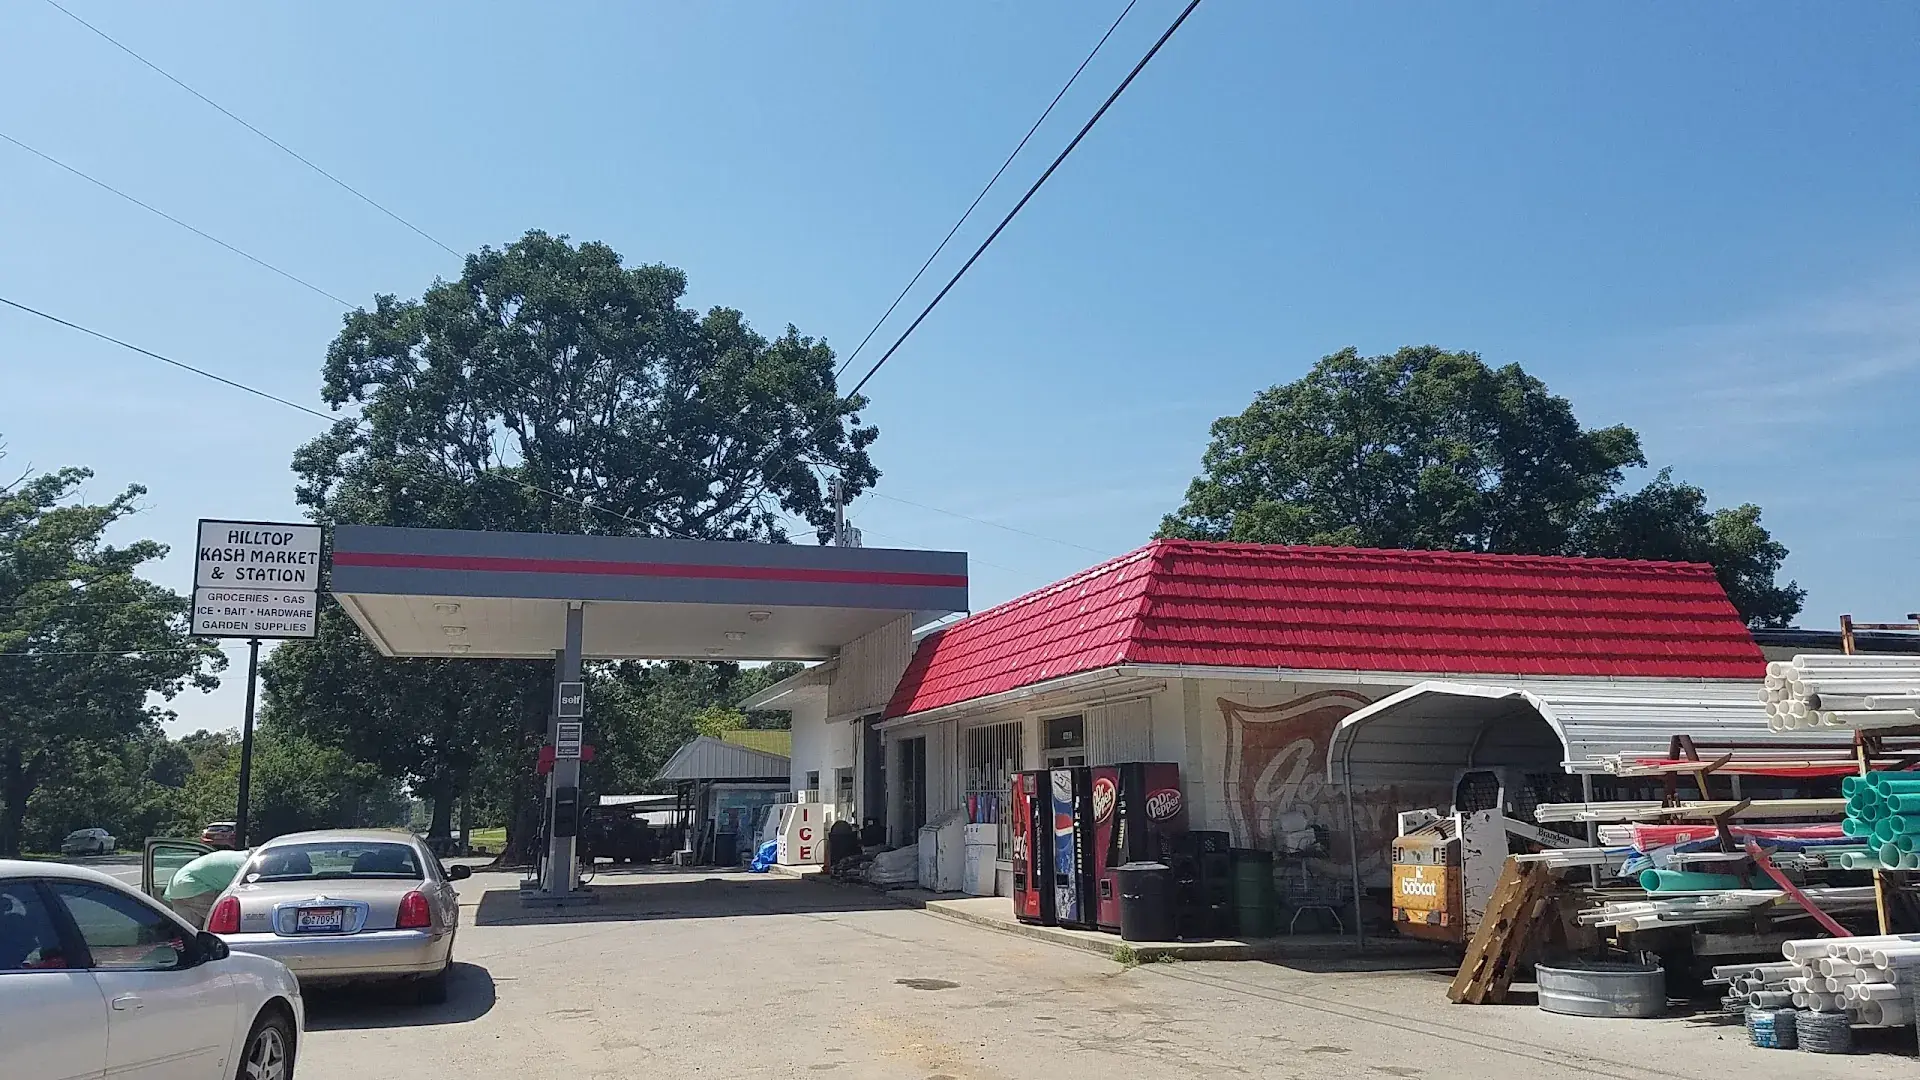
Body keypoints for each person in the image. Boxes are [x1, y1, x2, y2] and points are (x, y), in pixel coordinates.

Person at [163, 848, 249, 929]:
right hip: (194, 885)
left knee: (188, 929)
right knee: (228, 915)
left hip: (178, 886)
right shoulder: (248, 865)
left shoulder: (241, 857)